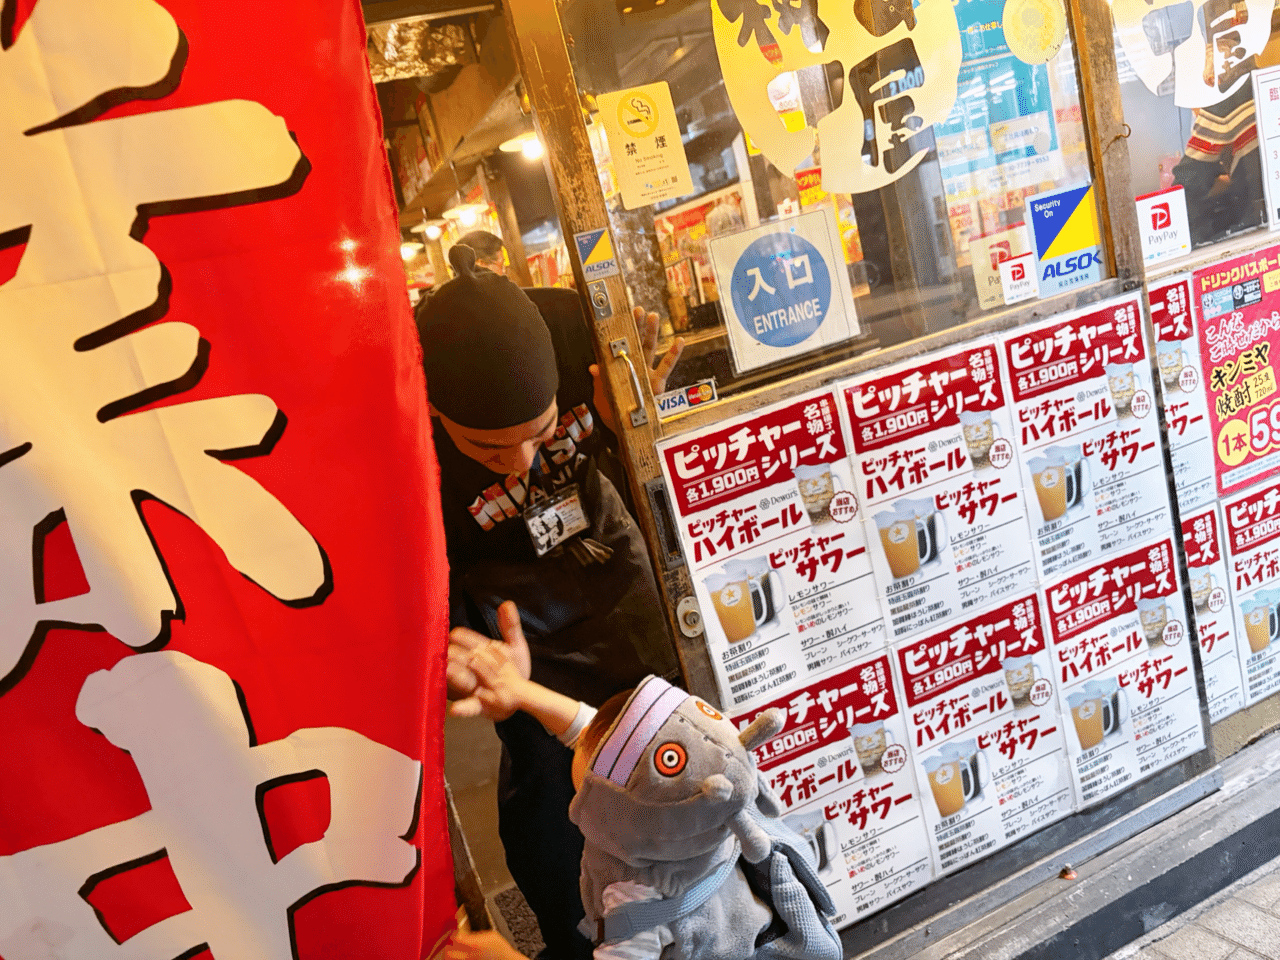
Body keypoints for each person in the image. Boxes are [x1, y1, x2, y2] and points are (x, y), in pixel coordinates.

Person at [419, 243, 683, 959]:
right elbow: (423, 599)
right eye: (488, 449)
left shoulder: (575, 335)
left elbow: (660, 463)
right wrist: (462, 659)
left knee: (673, 792)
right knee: (559, 841)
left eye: (542, 435)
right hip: (520, 633)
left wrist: (636, 422)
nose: (521, 462)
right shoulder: (403, 431)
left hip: (624, 593)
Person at [444, 636, 842, 960]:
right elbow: (603, 741)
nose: (576, 747)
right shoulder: (719, 792)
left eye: (587, 785)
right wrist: (522, 692)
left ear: (614, 813)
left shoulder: (636, 898)